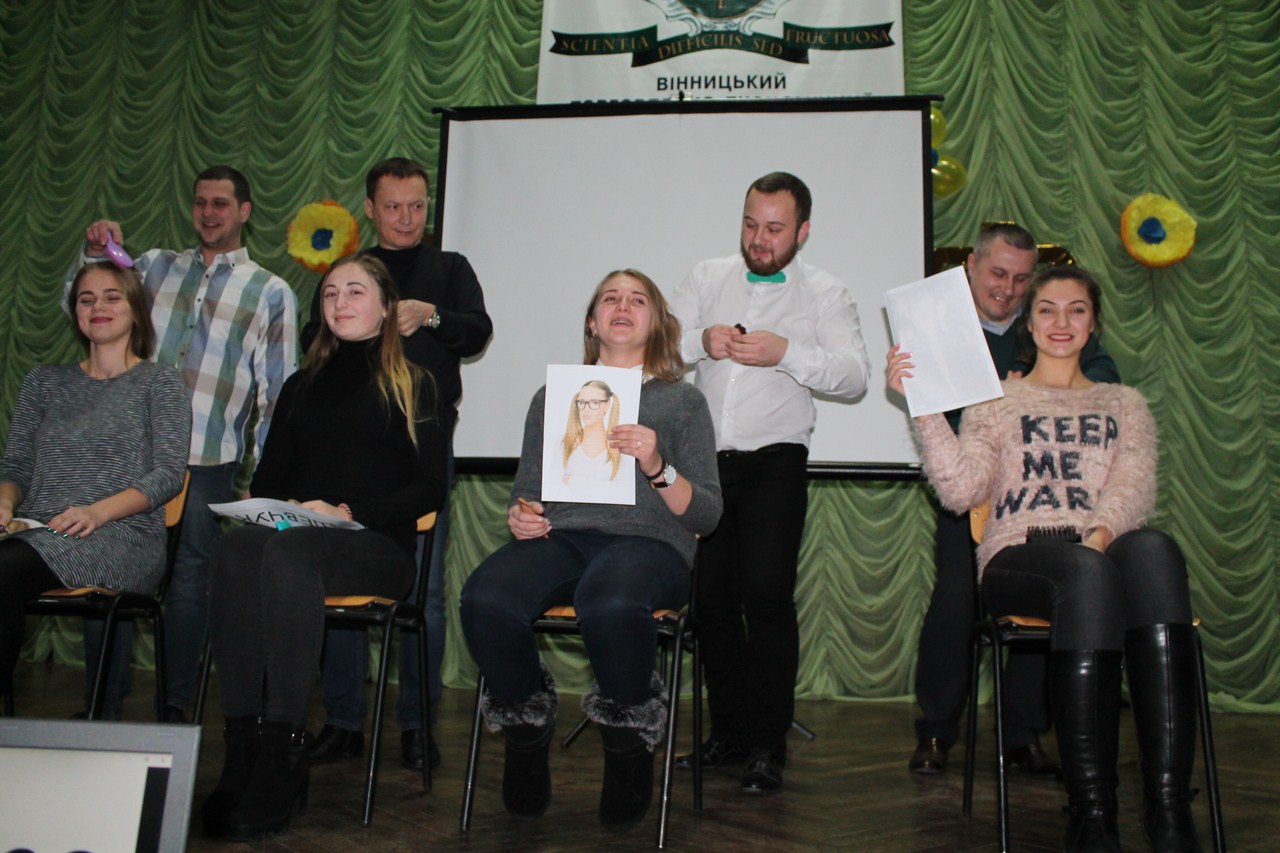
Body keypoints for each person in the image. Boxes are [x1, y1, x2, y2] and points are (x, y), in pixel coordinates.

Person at [889, 265, 1204, 853]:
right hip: (1020, 557)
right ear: (1028, 325)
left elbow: (1133, 486)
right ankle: (1092, 811)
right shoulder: (996, 401)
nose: (1062, 322)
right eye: (1047, 310)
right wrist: (924, 409)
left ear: (1093, 323)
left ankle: (1168, 808)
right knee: (1086, 572)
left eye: (1076, 310)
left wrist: (1097, 537)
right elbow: (960, 490)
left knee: (1156, 549)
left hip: (1098, 547)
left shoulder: (1125, 403)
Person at [459, 269, 722, 830]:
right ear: (592, 322)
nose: (622, 306)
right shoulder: (553, 397)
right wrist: (522, 514)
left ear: (658, 323)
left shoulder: (682, 401)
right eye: (610, 298)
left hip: (650, 546)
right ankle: (526, 731)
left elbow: (706, 515)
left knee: (609, 600)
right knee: (486, 598)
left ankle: (628, 746)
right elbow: (528, 490)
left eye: (638, 299)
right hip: (562, 539)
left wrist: (657, 465)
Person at [201, 254, 445, 841]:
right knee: (237, 551)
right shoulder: (300, 385)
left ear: (385, 307)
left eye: (355, 291)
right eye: (330, 293)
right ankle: (243, 741)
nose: (339, 302)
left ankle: (284, 747)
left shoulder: (414, 384)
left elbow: (429, 487)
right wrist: (282, 507)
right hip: (300, 535)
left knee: (289, 556)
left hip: (376, 547)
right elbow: (269, 477)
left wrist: (350, 513)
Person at [69, 166, 298, 722]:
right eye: (200, 203)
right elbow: (86, 304)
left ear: (244, 211)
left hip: (207, 458)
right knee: (106, 573)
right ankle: (101, 708)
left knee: (191, 582)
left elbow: (278, 391)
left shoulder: (270, 291)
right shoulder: (149, 267)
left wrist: (267, 479)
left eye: (221, 203)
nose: (209, 213)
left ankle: (174, 711)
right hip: (129, 453)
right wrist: (92, 252)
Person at [669, 171, 870, 794]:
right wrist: (700, 341)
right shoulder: (707, 276)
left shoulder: (826, 292)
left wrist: (787, 353)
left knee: (767, 597)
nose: (760, 238)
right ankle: (729, 734)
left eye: (775, 228)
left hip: (776, 461)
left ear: (803, 231)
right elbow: (659, 348)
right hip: (705, 463)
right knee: (712, 604)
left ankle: (766, 744)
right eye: (751, 224)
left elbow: (855, 376)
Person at [302, 157, 492, 773]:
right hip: (350, 448)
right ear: (370, 209)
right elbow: (314, 341)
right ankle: (342, 723)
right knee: (339, 582)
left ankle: (416, 725)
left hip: (421, 446)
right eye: (393, 207)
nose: (407, 218)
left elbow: (477, 332)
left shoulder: (450, 268)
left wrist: (429, 314)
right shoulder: (350, 274)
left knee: (424, 592)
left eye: (417, 206)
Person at [909, 223, 1121, 775]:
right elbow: (930, 410)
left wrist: (1038, 383)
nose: (1008, 289)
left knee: (1039, 606)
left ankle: (1021, 735)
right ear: (971, 268)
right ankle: (937, 730)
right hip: (968, 490)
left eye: (1022, 279)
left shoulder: (1045, 326)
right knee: (955, 602)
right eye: (998, 274)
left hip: (1037, 497)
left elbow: (1103, 373)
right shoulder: (939, 326)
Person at [0, 264, 190, 704]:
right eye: (86, 299)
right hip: (38, 532)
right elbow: (15, 466)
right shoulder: (43, 381)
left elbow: (167, 475)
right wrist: (5, 503)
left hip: (122, 537)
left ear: (136, 311)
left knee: (4, 569)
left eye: (111, 297)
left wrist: (96, 512)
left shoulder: (160, 381)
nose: (97, 306)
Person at [562, 380, 623, 484]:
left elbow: (623, 488)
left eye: (595, 402)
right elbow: (554, 484)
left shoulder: (619, 446)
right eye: (582, 402)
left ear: (607, 405)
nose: (586, 409)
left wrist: (575, 481)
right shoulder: (565, 443)